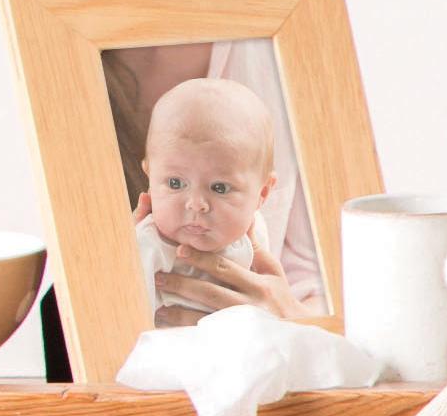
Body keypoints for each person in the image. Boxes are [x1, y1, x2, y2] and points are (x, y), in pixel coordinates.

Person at [133, 77, 315, 324]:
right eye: (175, 183)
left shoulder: (253, 231)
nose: (196, 204)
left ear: (262, 194)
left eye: (219, 188)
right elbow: (125, 317)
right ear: (150, 178)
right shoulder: (149, 244)